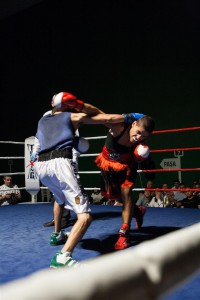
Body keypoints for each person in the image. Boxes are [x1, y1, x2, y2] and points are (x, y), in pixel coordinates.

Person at [31, 91, 132, 268]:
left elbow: (40, 141)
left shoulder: (42, 120)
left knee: (59, 199)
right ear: (68, 105)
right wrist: (127, 117)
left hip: (42, 167)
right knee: (85, 216)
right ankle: (63, 256)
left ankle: (57, 234)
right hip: (61, 164)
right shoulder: (72, 116)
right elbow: (106, 119)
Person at [95, 113, 155, 250]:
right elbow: (102, 117)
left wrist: (144, 159)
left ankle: (124, 234)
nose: (139, 137)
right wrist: (79, 112)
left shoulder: (141, 143)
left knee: (126, 193)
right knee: (116, 197)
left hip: (128, 166)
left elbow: (148, 165)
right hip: (109, 165)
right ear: (133, 124)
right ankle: (138, 212)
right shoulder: (119, 127)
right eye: (138, 132)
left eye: (144, 136)